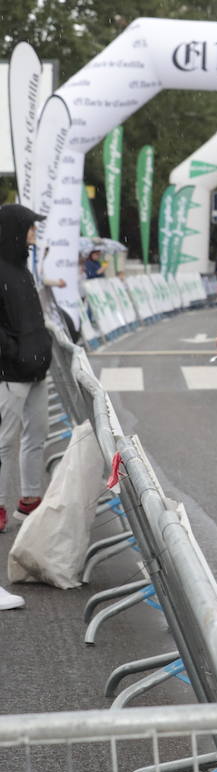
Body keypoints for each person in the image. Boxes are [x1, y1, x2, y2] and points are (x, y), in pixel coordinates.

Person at [0, 203, 55, 545]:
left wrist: (39, 347)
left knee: (38, 435)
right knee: (4, 442)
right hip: (10, 373)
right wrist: (14, 351)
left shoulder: (22, 269)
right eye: (31, 228)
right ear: (15, 231)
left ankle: (30, 500)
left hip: (35, 370)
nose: (34, 235)